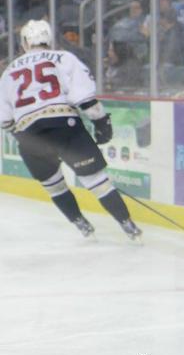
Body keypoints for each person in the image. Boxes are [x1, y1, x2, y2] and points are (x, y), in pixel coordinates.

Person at [0, 20, 142, 241]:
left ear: (25, 42)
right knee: (97, 182)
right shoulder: (65, 58)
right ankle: (128, 224)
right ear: (49, 39)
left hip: (30, 135)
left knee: (54, 186)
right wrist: (102, 123)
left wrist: (24, 136)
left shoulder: (9, 71)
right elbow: (84, 99)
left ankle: (82, 225)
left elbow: (5, 120)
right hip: (65, 126)